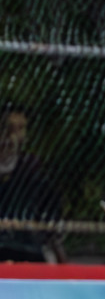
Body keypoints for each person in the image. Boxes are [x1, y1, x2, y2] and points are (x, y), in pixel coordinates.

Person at [0, 102, 64, 263]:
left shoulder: (34, 171)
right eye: (9, 128)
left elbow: (51, 220)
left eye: (21, 128)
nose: (13, 136)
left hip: (27, 255)